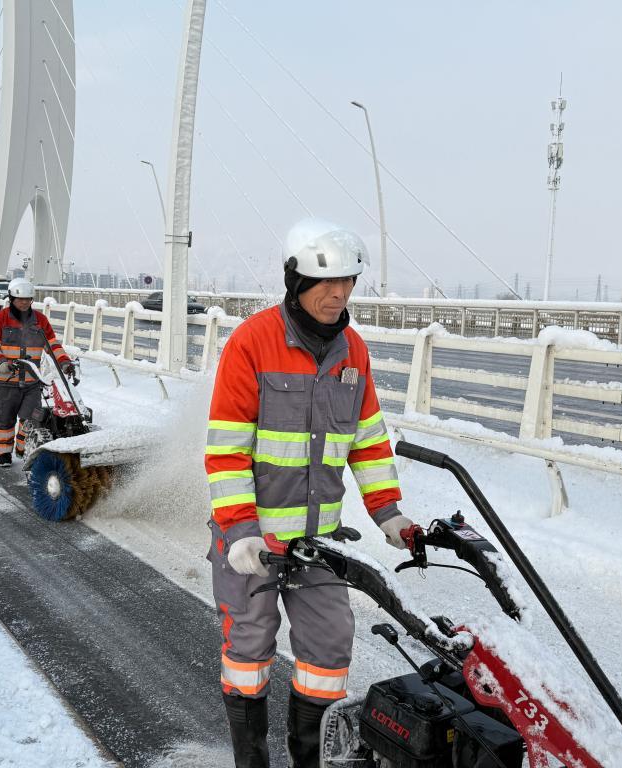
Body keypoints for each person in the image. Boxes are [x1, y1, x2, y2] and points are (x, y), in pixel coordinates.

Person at [204, 219, 418, 768]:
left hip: (319, 543)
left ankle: (308, 760)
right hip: (252, 542)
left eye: (348, 281)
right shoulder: (252, 342)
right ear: (296, 283)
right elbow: (226, 450)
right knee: (249, 652)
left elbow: (367, 441)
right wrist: (240, 531)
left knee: (328, 652)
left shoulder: (353, 352)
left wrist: (388, 514)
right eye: (327, 282)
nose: (339, 293)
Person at [0, 278, 74, 467]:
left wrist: (64, 362)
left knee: (32, 418)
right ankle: (4, 454)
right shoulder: (0, 318)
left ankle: (22, 448)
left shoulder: (40, 320)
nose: (24, 303)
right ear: (11, 299)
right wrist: (0, 362)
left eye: (28, 299)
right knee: (5, 420)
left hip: (32, 381)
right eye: (20, 299)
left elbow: (52, 345)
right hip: (5, 380)